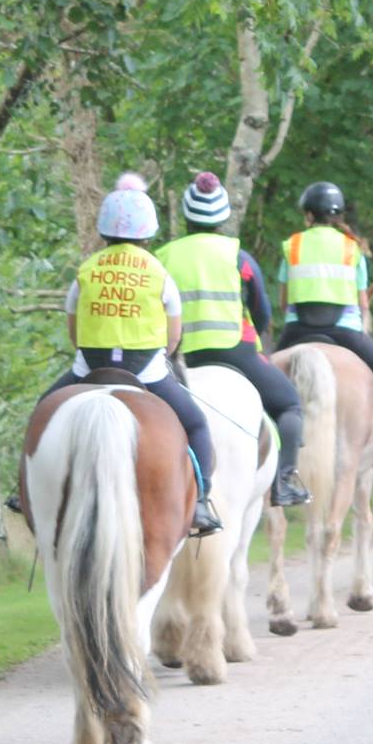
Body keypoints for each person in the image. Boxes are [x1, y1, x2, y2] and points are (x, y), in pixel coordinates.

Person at [42, 174, 223, 537]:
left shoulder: (86, 270)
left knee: (42, 413)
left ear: (104, 229)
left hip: (89, 368)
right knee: (197, 424)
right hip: (147, 372)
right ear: (148, 231)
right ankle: (201, 503)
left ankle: (26, 492)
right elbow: (173, 337)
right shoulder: (158, 272)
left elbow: (74, 330)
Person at [155, 172, 312, 507]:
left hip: (178, 359)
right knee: (289, 405)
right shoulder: (238, 257)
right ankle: (284, 482)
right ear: (223, 217)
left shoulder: (163, 257)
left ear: (186, 216)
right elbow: (263, 313)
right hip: (233, 352)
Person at [275, 181, 373, 464]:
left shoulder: (292, 245)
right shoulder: (352, 249)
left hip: (297, 329)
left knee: (262, 378)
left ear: (309, 216)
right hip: (344, 331)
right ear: (336, 216)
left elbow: (283, 301)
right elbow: (363, 304)